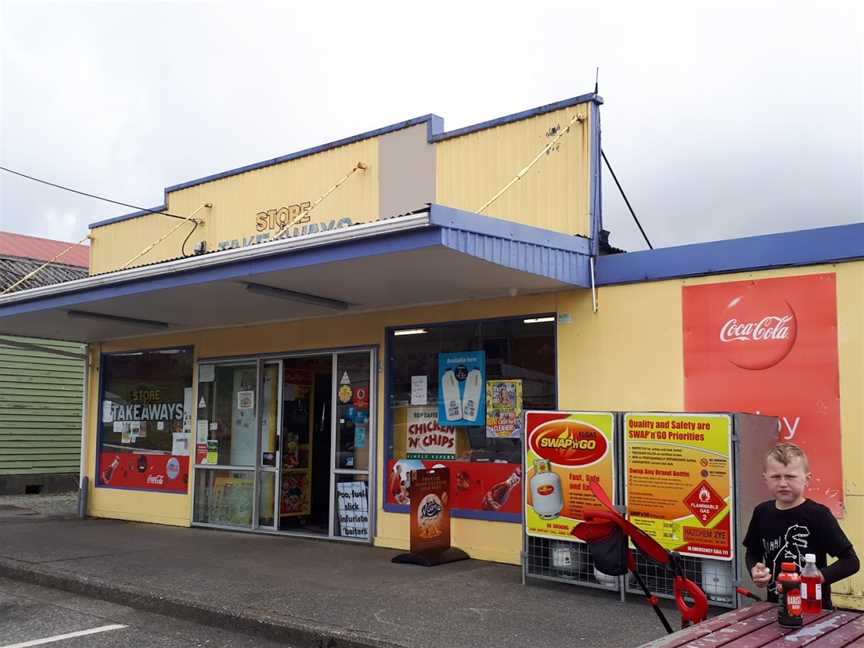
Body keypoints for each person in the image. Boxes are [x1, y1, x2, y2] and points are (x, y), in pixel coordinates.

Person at [743, 443, 859, 609]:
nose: (783, 483)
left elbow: (851, 562)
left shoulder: (819, 515)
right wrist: (756, 571)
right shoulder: (762, 512)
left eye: (790, 477)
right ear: (765, 479)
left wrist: (814, 578)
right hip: (775, 608)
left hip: (815, 610)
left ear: (807, 479)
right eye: (776, 477)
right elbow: (752, 553)